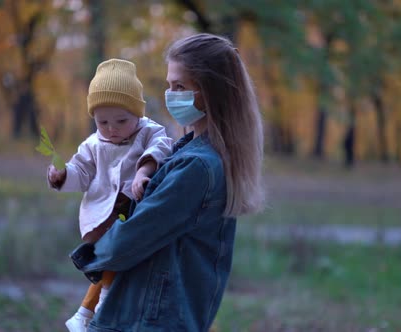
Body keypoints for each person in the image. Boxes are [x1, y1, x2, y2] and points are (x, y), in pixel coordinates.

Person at [76, 33, 265, 331]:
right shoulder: (194, 153)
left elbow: (129, 240)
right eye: (168, 85)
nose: (170, 94)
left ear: (209, 92)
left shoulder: (197, 166)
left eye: (180, 86)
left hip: (150, 321)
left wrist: (91, 251)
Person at [47, 58, 173, 332]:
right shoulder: (93, 143)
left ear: (137, 114)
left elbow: (163, 146)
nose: (111, 128)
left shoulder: (149, 132)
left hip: (132, 211)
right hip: (104, 214)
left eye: (121, 120)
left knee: (119, 258)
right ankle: (95, 309)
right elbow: (81, 171)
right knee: (109, 259)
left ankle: (92, 310)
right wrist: (62, 175)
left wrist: (144, 170)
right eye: (102, 121)